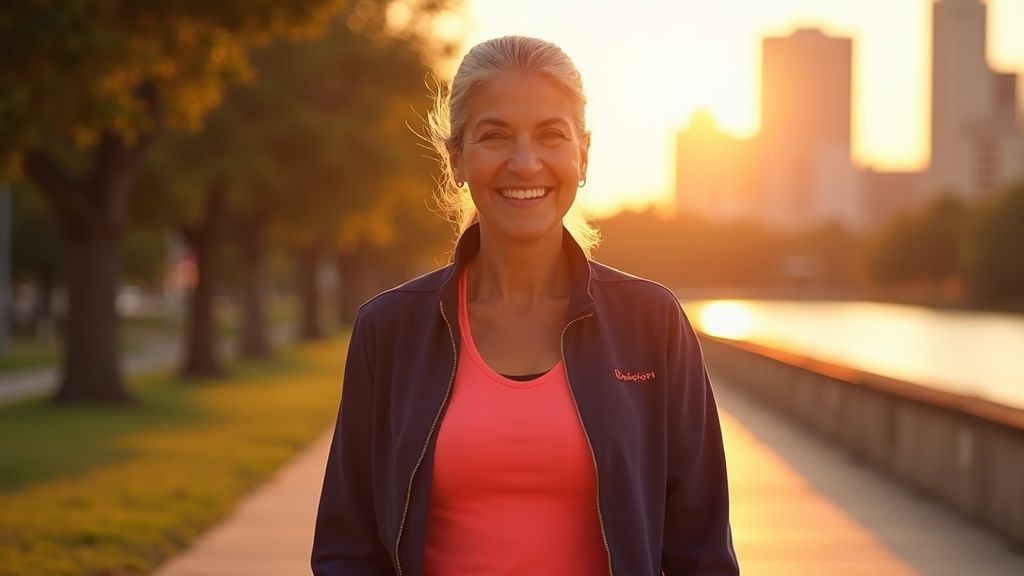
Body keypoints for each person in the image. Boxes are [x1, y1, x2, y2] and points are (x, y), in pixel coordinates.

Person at [312, 35, 739, 576]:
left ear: (582, 154)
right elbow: (346, 547)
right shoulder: (389, 329)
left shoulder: (652, 323)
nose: (524, 161)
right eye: (494, 136)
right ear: (457, 160)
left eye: (550, 135)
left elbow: (701, 550)